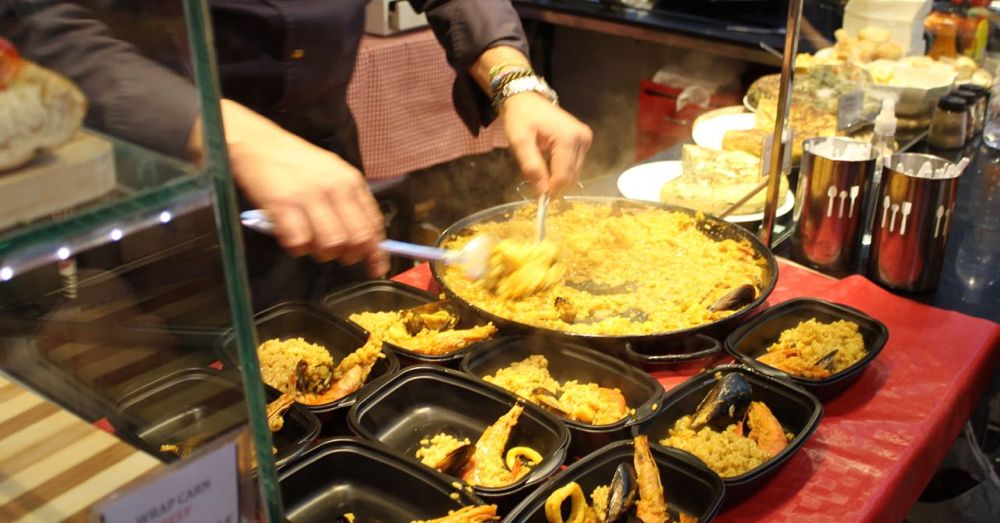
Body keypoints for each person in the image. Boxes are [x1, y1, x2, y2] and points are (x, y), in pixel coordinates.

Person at [2, 0, 592, 281]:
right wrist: (233, 134)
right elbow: (37, 21)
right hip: (166, 168)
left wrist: (511, 75)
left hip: (324, 157)